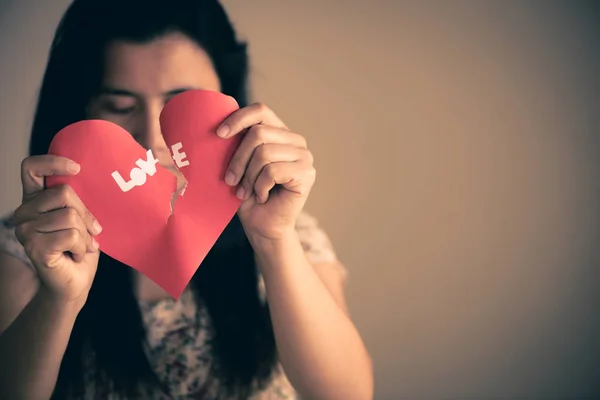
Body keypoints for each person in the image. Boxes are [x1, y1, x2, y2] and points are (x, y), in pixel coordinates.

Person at [0, 0, 373, 399]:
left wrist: (273, 241)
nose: (151, 136)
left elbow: (346, 394)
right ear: (82, 109)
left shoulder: (290, 228)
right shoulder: (34, 243)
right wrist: (62, 298)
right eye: (120, 106)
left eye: (181, 102)